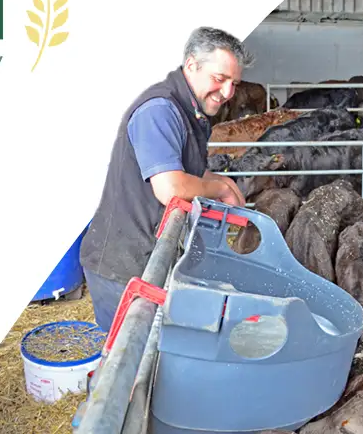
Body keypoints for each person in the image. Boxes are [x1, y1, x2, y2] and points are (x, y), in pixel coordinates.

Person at [79, 26, 251, 333]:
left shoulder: (190, 111)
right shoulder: (160, 111)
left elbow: (188, 170)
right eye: (219, 78)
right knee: (128, 354)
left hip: (148, 256)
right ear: (191, 65)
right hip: (123, 265)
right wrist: (218, 188)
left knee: (156, 348)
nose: (228, 93)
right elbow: (170, 187)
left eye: (234, 83)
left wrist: (220, 182)